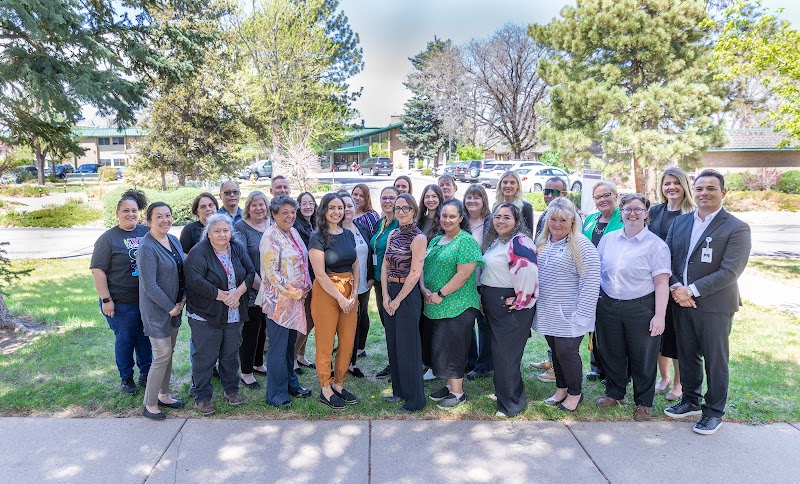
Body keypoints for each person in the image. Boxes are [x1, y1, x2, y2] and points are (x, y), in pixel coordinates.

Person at [664, 169, 751, 435]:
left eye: (711, 188)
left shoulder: (736, 227)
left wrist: (691, 291)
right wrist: (677, 287)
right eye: (700, 188)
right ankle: (690, 400)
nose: (704, 193)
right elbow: (666, 258)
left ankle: (713, 412)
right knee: (687, 355)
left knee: (715, 360)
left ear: (723, 193)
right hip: (681, 301)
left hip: (715, 305)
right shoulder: (680, 223)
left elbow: (730, 271)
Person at [595, 193, 671, 421]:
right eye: (628, 209)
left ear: (646, 213)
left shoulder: (656, 246)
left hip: (640, 307)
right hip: (608, 304)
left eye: (638, 209)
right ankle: (614, 393)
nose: (633, 213)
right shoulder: (609, 240)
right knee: (612, 351)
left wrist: (659, 316)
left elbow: (661, 283)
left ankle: (643, 402)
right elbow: (597, 271)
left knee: (643, 357)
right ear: (621, 212)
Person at [533, 198, 601, 413]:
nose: (557, 224)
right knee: (555, 351)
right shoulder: (542, 243)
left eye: (563, 219)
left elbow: (590, 282)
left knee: (567, 352)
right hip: (547, 311)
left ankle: (575, 393)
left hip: (570, 314)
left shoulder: (581, 245)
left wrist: (582, 315)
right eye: (553, 219)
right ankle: (561, 389)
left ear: (572, 221)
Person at [185, 213, 255, 415]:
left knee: (230, 355)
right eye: (217, 231)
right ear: (208, 233)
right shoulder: (199, 252)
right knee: (205, 357)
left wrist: (238, 292)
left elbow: (250, 273)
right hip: (206, 314)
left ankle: (231, 390)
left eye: (226, 230)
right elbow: (195, 280)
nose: (222, 234)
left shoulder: (237, 248)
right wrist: (223, 296)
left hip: (234, 312)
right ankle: (202, 396)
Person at [420, 199, 483, 409]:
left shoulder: (465, 241)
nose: (447, 220)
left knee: (453, 348)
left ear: (460, 218)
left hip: (458, 305)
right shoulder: (436, 240)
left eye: (452, 216)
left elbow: (464, 274)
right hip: (435, 303)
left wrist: (440, 293)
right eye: (444, 216)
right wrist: (425, 290)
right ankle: (449, 386)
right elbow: (425, 267)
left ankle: (458, 393)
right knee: (442, 347)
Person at [90, 189, 152, 394]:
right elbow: (98, 270)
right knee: (125, 340)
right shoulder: (108, 239)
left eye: (134, 210)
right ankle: (126, 378)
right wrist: (106, 299)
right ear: (117, 212)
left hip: (145, 300)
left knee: (144, 338)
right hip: (120, 302)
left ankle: (146, 373)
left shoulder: (146, 232)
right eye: (126, 210)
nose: (130, 214)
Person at [480, 203, 538, 417]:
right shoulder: (496, 242)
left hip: (511, 306)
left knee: (507, 355)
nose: (501, 221)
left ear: (517, 221)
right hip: (494, 303)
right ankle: (506, 391)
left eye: (507, 217)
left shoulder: (520, 242)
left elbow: (529, 274)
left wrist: (521, 301)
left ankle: (511, 403)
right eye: (497, 216)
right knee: (500, 353)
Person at [260, 195, 313, 408]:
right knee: (278, 348)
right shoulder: (270, 237)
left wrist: (307, 286)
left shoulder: (293, 232)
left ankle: (292, 385)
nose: (289, 216)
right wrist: (294, 292)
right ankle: (276, 394)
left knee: (290, 346)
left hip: (296, 301)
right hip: (279, 303)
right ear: (274, 214)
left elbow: (302, 260)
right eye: (284, 212)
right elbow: (271, 274)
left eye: (292, 212)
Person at [309, 193, 360, 410]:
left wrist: (354, 292)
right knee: (326, 341)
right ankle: (325, 387)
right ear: (324, 210)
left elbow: (356, 264)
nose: (337, 211)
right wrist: (339, 297)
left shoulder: (348, 234)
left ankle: (339, 383)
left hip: (349, 292)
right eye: (332, 207)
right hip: (327, 292)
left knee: (348, 341)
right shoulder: (317, 237)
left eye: (340, 208)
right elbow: (319, 273)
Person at [649, 167, 696, 401]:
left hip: (678, 281)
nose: (671, 188)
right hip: (655, 281)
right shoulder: (655, 211)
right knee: (658, 331)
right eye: (667, 183)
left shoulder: (692, 214)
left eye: (676, 183)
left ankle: (678, 383)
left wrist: (678, 284)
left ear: (684, 186)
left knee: (677, 335)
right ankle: (664, 377)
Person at [137, 202, 186, 420]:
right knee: (162, 354)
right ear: (149, 221)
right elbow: (150, 285)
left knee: (169, 353)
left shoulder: (173, 240)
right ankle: (149, 404)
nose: (165, 220)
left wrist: (181, 300)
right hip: (158, 310)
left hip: (176, 307)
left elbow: (181, 271)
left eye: (168, 215)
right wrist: (170, 307)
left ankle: (164, 395)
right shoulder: (147, 247)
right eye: (159, 216)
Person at [382, 193, 427, 412]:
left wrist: (398, 300)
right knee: (394, 343)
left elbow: (415, 273)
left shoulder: (419, 238)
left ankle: (415, 399)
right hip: (390, 291)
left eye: (405, 208)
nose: (400, 212)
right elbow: (385, 266)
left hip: (407, 295)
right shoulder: (393, 234)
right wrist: (385, 296)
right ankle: (398, 391)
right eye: (398, 208)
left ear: (414, 211)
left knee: (408, 346)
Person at [531, 177, 578, 380]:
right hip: (548, 300)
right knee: (555, 343)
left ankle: (571, 388)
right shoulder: (544, 216)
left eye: (555, 192)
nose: (549, 195)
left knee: (565, 348)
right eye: (547, 190)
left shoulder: (573, 224)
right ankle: (553, 367)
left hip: (566, 303)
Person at [582, 180, 622, 382]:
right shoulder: (590, 220)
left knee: (610, 327)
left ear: (616, 196)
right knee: (593, 325)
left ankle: (611, 370)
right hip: (590, 280)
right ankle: (596, 366)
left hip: (613, 281)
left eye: (607, 195)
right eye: (598, 197)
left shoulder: (622, 219)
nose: (603, 200)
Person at [233, 191, 270, 388]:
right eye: (254, 205)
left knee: (263, 326)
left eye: (262, 204)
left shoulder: (271, 224)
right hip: (251, 286)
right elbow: (243, 260)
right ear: (248, 207)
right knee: (251, 329)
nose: (258, 208)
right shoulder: (240, 227)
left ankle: (258, 363)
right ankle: (246, 372)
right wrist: (261, 287)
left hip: (271, 287)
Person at [340, 192, 374, 379]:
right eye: (342, 206)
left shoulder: (361, 227)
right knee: (340, 326)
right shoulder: (333, 231)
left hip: (362, 287)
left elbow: (369, 252)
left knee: (356, 324)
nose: (347, 210)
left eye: (350, 206)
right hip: (341, 288)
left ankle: (351, 363)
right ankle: (337, 363)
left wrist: (370, 277)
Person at [370, 186, 400, 378]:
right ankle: (393, 361)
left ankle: (399, 363)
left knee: (395, 324)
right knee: (387, 324)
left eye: (391, 198)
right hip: (378, 281)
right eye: (384, 197)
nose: (387, 201)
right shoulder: (381, 223)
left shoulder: (400, 224)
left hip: (394, 281)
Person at [463, 184, 492, 380]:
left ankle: (483, 365)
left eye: (477, 197)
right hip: (463, 281)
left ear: (484, 201)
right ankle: (470, 360)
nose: (472, 201)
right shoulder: (461, 222)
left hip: (484, 280)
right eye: (469, 197)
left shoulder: (490, 223)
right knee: (465, 323)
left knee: (483, 323)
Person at [293, 192, 317, 372]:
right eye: (304, 203)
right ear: (298, 205)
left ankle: (301, 355)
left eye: (311, 203)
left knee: (310, 318)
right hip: (303, 279)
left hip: (315, 277)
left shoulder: (315, 222)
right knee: (307, 318)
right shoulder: (296, 225)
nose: (308, 206)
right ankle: (292, 357)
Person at [494, 171, 534, 236]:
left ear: (518, 186)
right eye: (505, 182)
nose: (508, 185)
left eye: (512, 183)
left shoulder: (526, 207)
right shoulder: (496, 206)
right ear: (500, 185)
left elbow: (529, 234)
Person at [180, 192, 219, 257]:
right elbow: (183, 254)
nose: (208, 209)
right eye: (203, 207)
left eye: (211, 205)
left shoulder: (224, 227)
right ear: (196, 211)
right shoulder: (189, 230)